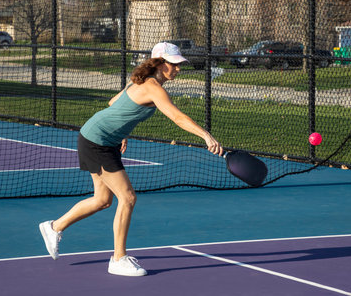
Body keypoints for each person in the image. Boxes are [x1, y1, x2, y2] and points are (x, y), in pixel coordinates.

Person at [39, 42, 222, 277]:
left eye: (179, 65)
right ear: (159, 63)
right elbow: (177, 117)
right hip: (97, 142)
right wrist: (206, 135)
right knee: (128, 197)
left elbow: (114, 103)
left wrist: (122, 133)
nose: (178, 69)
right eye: (173, 64)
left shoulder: (138, 82)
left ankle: (54, 227)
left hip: (100, 138)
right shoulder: (152, 87)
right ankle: (118, 258)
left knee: (102, 200)